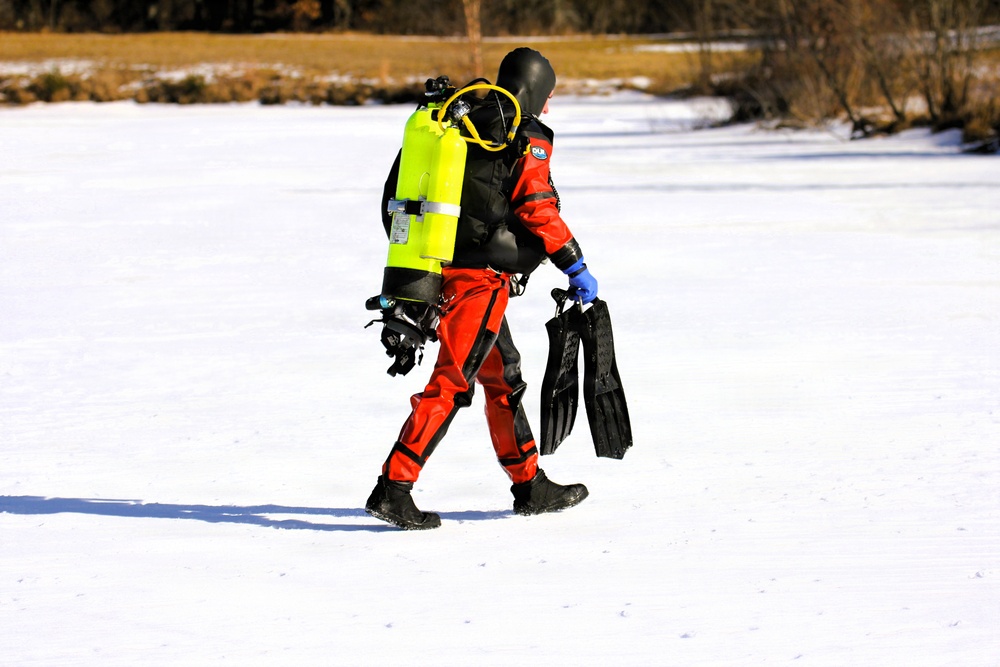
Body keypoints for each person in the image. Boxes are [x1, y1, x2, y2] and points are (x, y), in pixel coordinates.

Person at [365, 48, 599, 530]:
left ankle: (529, 483)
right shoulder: (521, 132)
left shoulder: (453, 121)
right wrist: (574, 263)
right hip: (480, 281)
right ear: (534, 88)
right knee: (452, 383)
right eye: (548, 97)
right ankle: (394, 486)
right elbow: (536, 205)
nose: (548, 109)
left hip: (435, 265)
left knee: (503, 374)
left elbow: (396, 194)